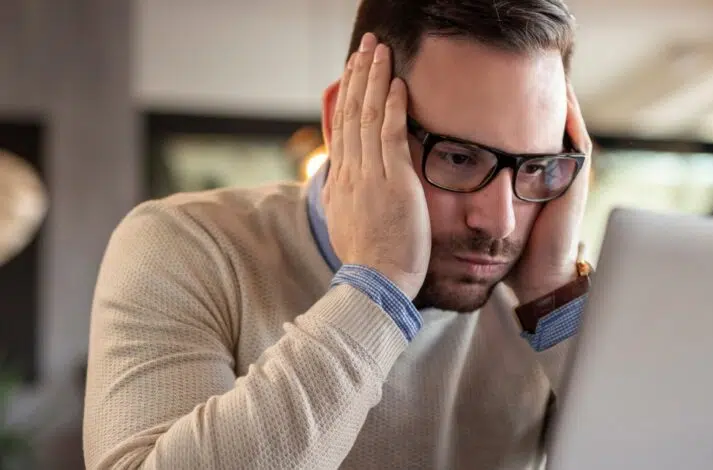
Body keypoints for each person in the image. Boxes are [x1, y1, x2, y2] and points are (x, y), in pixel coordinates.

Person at [82, 0, 593, 468]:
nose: (500, 222)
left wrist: (554, 300)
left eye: (536, 166)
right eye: (458, 158)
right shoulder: (185, 244)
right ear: (343, 123)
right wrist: (379, 285)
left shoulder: (545, 286)